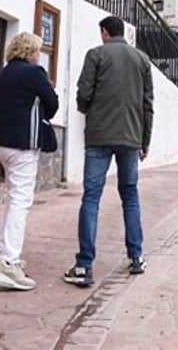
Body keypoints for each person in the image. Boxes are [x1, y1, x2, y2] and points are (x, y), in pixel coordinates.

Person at [64, 15, 153, 288]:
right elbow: (147, 103)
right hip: (130, 137)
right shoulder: (142, 60)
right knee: (130, 195)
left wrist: (86, 109)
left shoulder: (96, 54)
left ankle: (84, 265)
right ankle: (136, 258)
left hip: (99, 135)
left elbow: (84, 92)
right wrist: (144, 140)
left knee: (91, 197)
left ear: (104, 32)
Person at [0, 31, 58, 291]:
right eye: (37, 50)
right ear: (29, 51)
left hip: (1, 142)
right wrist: (46, 89)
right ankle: (8, 262)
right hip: (23, 143)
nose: (38, 55)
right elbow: (52, 106)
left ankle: (1, 254)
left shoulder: (5, 72)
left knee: (14, 198)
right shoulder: (34, 73)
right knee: (21, 200)